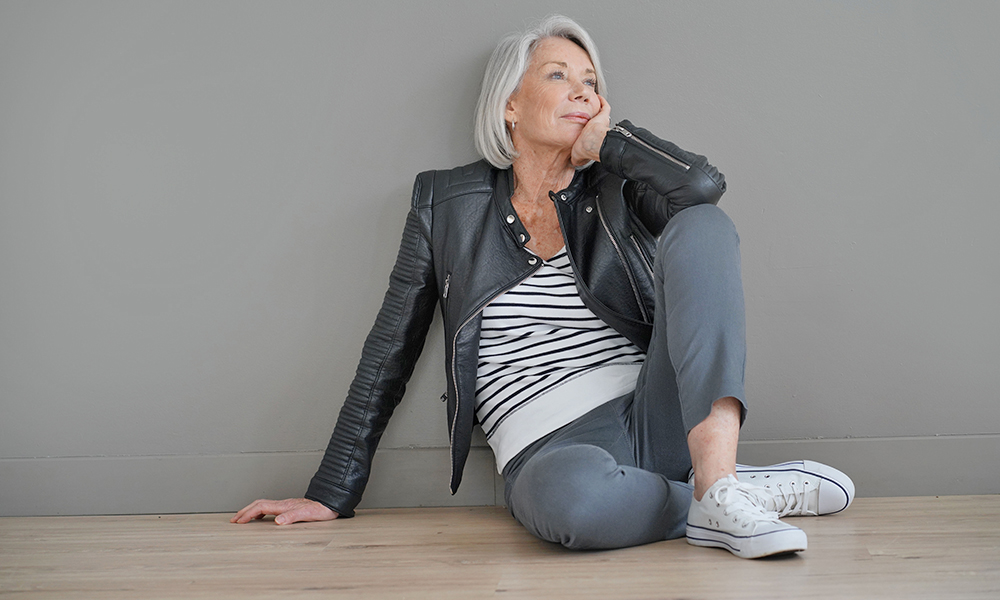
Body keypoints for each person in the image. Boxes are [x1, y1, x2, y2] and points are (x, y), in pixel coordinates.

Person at [232, 15, 855, 559]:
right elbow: (387, 352)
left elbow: (701, 190)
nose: (582, 92)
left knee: (705, 229)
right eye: (559, 76)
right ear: (510, 102)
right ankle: (727, 496)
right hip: (550, 451)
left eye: (592, 83)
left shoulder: (617, 187)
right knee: (575, 509)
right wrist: (329, 492)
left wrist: (611, 144)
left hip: (655, 414)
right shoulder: (444, 203)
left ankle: (718, 483)